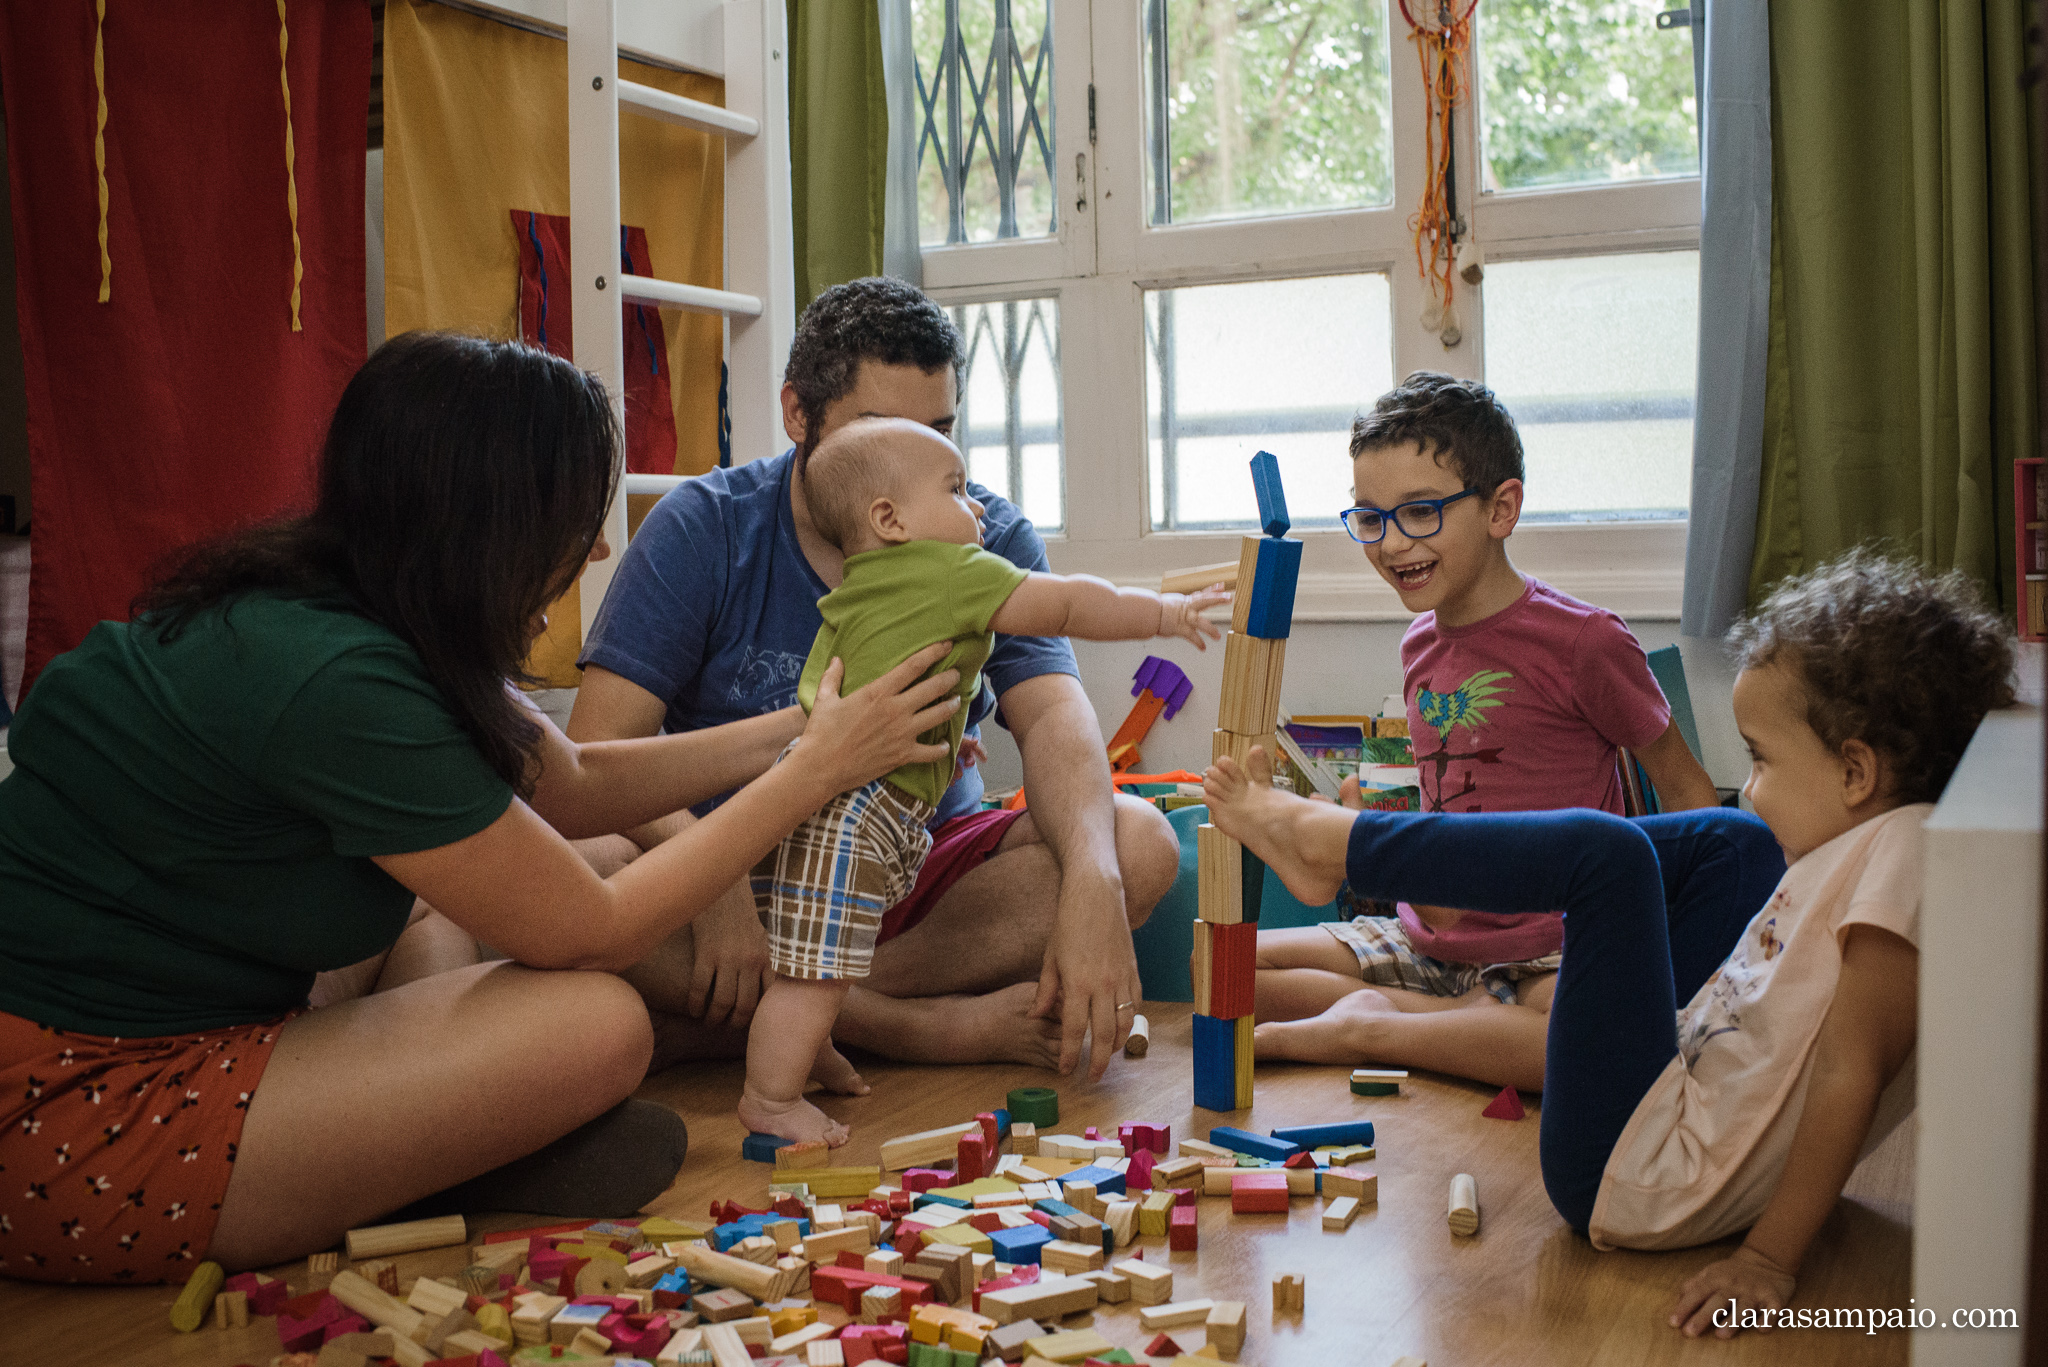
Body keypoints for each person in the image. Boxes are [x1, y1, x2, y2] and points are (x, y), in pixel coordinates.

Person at [0, 333, 963, 1281]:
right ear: (486, 523)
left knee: (445, 900)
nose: (591, 548)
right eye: (571, 518)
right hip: (75, 1101)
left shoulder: (360, 613)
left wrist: (805, 730)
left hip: (214, 1008)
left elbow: (578, 778)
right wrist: (810, 772)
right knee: (598, 1022)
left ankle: (440, 1144)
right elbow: (592, 930)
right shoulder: (341, 678)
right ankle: (435, 1159)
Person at [1205, 550, 2013, 1338]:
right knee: (1734, 838)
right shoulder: (1876, 845)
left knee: (1607, 855)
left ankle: (1345, 846)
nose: (1754, 782)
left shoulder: (1905, 858)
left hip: (1635, 1170)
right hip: (1665, 1091)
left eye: (1762, 758)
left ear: (1856, 773)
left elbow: (1850, 1072)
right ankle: (1403, 871)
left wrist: (1769, 1257)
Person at [570, 278, 1180, 1083]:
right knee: (577, 854)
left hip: (906, 871)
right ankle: (910, 1029)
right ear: (798, 414)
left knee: (1137, 841)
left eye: (939, 433)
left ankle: (775, 1016)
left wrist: (1096, 882)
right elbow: (593, 753)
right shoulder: (703, 526)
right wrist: (711, 887)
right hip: (736, 869)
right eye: (881, 430)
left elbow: (1056, 717)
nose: (919, 460)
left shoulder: (980, 531)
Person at [744, 418, 1228, 1144]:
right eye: (957, 489)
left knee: (811, 959)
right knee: (812, 975)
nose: (979, 509)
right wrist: (1163, 612)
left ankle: (813, 1051)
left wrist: (943, 745)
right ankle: (769, 1098)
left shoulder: (855, 589)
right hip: (863, 815)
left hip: (829, 805)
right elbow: (1064, 603)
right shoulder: (950, 570)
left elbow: (830, 698)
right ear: (890, 518)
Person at [1251, 371, 1720, 1091]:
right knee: (1221, 968)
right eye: (1370, 517)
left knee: (1586, 1041)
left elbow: (1688, 791)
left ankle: (1370, 1026)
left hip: (1547, 949)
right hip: (1427, 936)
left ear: (1502, 509)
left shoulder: (1586, 640)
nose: (1390, 542)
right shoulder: (1419, 645)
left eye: (1420, 512)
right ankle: (1450, 1019)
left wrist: (1674, 944)